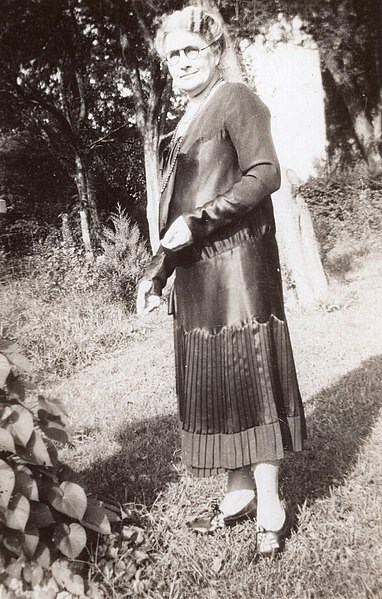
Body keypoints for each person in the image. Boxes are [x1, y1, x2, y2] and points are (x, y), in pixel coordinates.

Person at [136, 6, 306, 556]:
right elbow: (176, 210)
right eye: (173, 54)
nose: (181, 61)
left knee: (247, 377)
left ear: (214, 51)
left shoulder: (236, 99)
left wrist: (201, 222)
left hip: (239, 269)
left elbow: (265, 173)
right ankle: (236, 496)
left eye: (191, 50)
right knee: (214, 383)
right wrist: (157, 270)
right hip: (196, 278)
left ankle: (271, 506)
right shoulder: (183, 121)